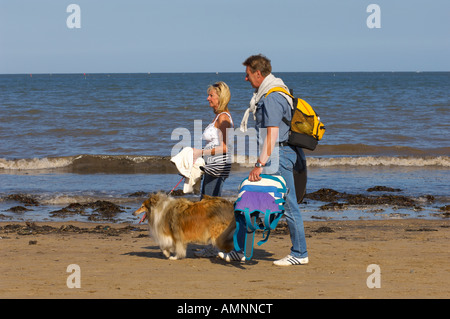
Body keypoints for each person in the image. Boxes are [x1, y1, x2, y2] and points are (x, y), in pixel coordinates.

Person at [219, 54, 309, 266]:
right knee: (251, 203)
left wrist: (259, 165)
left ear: (258, 73)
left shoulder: (271, 98)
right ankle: (240, 250)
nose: (246, 79)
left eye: (248, 74)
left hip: (278, 156)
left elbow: (273, 135)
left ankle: (300, 253)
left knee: (286, 205)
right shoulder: (271, 93)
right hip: (278, 154)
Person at [193, 81, 234, 198]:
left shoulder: (223, 117)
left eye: (211, 95)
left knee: (207, 205)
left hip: (217, 167)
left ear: (220, 98)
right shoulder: (219, 116)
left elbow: (225, 147)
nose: (207, 98)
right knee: (208, 204)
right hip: (213, 165)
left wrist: (201, 152)